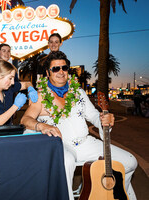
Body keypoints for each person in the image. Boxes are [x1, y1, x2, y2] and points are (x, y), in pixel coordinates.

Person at [21, 51, 137, 200]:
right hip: (61, 145)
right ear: (48, 73)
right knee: (67, 162)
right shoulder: (41, 96)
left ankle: (118, 194)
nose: (61, 72)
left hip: (85, 143)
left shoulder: (79, 92)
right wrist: (41, 126)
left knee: (130, 162)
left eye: (64, 68)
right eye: (56, 69)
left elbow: (94, 116)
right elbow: (25, 119)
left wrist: (103, 118)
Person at [0, 60, 38, 127]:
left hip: (6, 133)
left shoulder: (9, 89)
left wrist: (31, 89)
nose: (12, 82)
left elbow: (27, 84)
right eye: (10, 78)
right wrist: (15, 106)